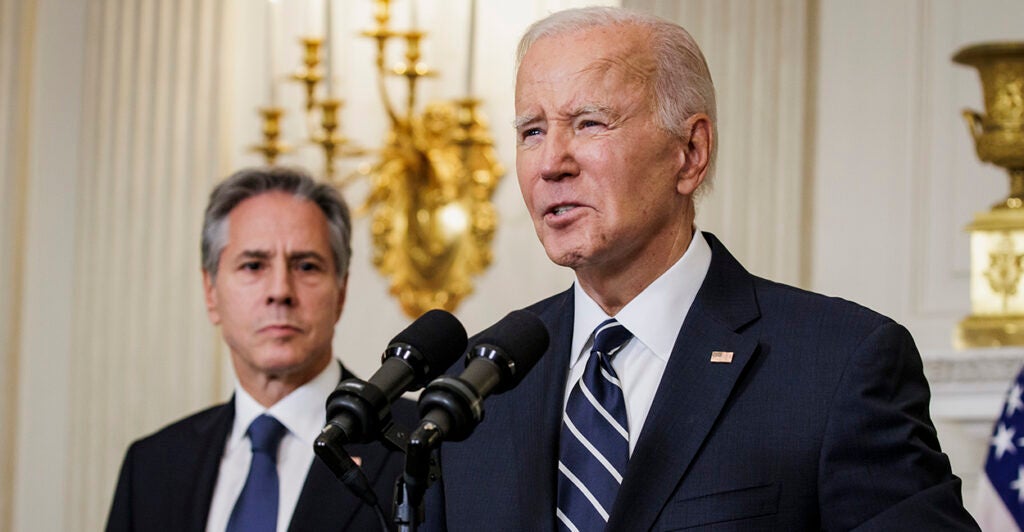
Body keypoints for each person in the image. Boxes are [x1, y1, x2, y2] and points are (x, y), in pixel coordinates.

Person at [423, 7, 979, 531]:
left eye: (589, 123)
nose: (551, 163)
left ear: (690, 152)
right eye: (532, 131)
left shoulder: (838, 366)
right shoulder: (474, 387)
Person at [107, 167, 413, 531]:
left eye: (306, 266)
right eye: (253, 265)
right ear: (210, 292)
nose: (280, 291)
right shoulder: (151, 467)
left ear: (341, 292)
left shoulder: (418, 444)